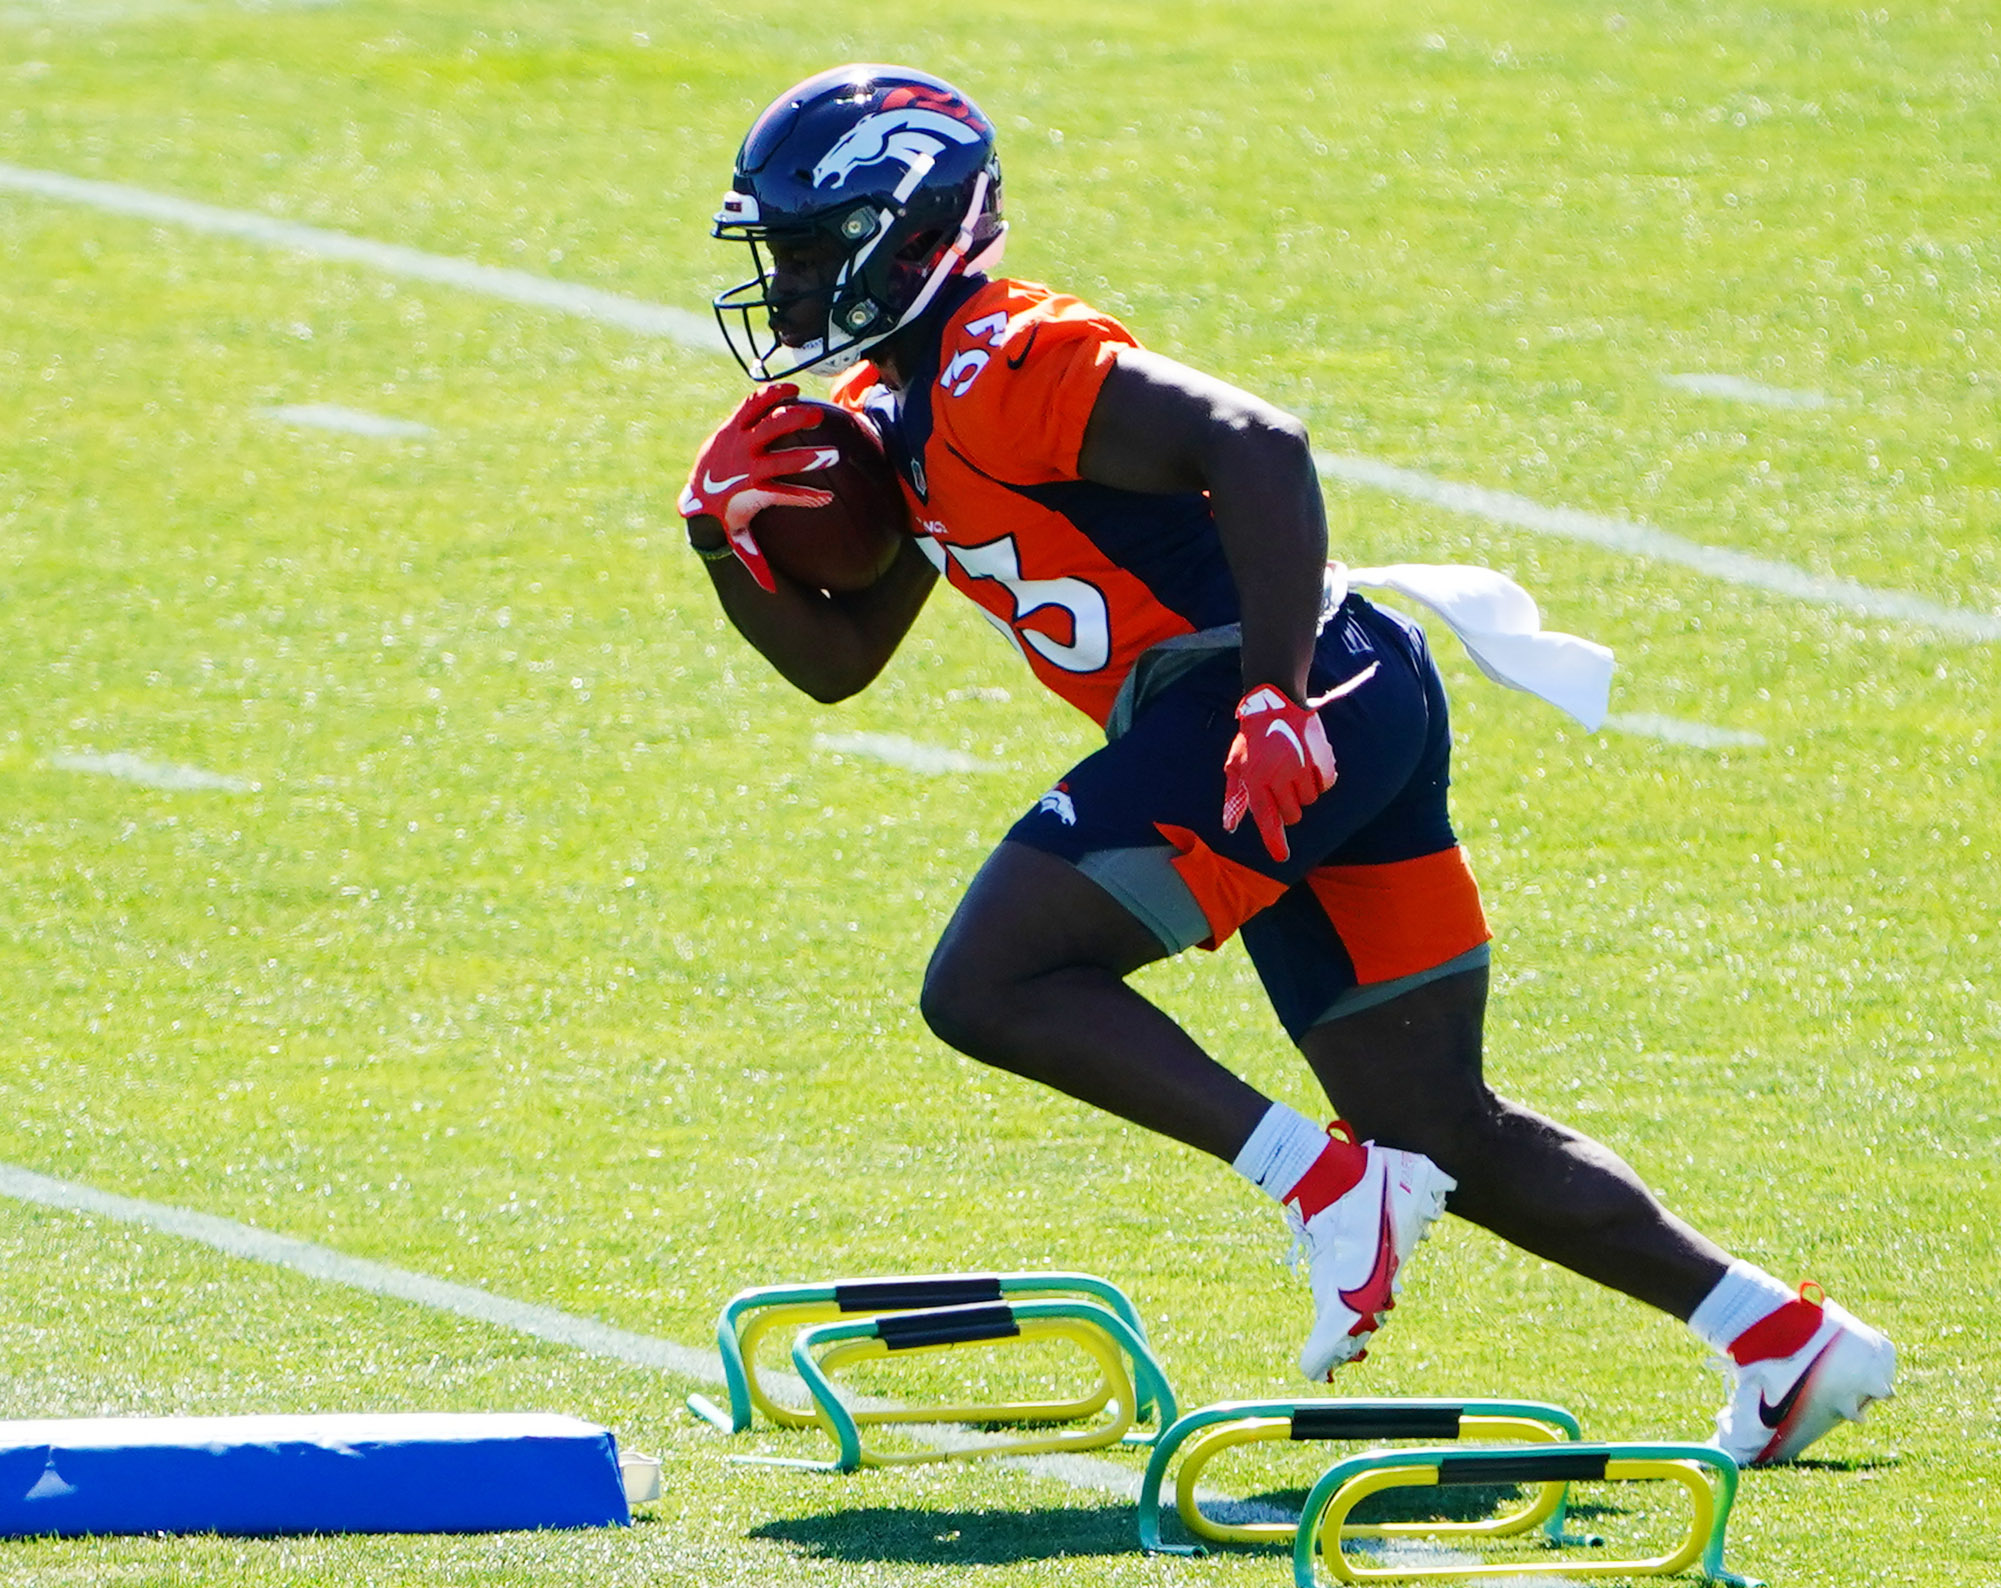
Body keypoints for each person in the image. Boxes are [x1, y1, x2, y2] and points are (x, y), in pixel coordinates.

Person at [676, 63, 1895, 1465]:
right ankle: (1780, 1338)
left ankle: (1322, 1187)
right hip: (1340, 698)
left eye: (812, 246)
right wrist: (721, 540)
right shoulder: (900, 410)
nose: (785, 282)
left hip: (1283, 698)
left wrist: (1266, 699)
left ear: (915, 227)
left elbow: (1256, 443)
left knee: (993, 980)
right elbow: (839, 663)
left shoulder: (1000, 358)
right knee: (1434, 1118)